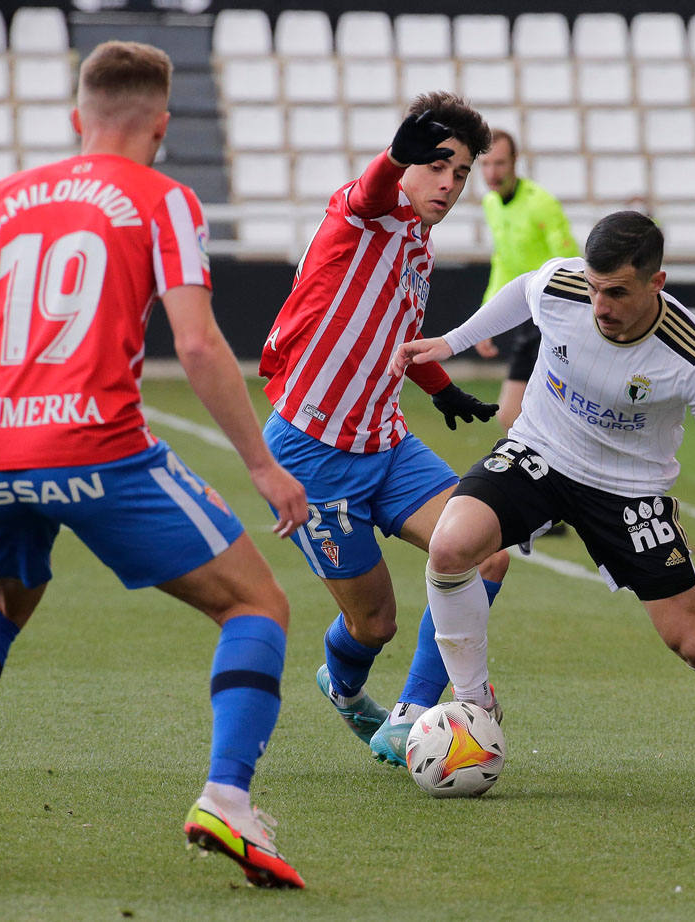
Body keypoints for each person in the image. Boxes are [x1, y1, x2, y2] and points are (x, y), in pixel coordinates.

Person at [0, 41, 307, 888]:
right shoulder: (164, 198)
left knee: (0, 598)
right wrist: (262, 465)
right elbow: (195, 339)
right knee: (257, 604)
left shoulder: (0, 199)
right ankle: (226, 798)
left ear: (78, 119)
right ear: (161, 127)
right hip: (96, 446)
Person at [390, 210, 695, 797]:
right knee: (450, 546)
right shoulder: (563, 287)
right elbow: (523, 289)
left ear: (657, 283)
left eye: (618, 292)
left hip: (630, 489)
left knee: (694, 641)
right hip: (541, 451)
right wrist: (450, 342)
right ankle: (475, 707)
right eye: (596, 288)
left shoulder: (694, 356)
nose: (600, 305)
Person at [259, 92, 510, 768]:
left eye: (460, 174)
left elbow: (396, 334)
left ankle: (410, 717)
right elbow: (371, 190)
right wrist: (393, 158)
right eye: (438, 166)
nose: (449, 185)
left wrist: (443, 388)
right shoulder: (364, 213)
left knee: (485, 552)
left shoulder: (417, 246)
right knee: (374, 623)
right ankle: (342, 686)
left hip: (386, 442)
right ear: (406, 161)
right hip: (311, 456)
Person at [472, 129, 580, 431]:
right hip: (527, 318)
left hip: (556, 318)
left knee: (558, 415)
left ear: (515, 162)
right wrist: (487, 317)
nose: (492, 173)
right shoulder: (491, 204)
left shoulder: (541, 203)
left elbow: (571, 262)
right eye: (486, 164)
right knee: (508, 415)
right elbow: (502, 262)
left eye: (500, 163)